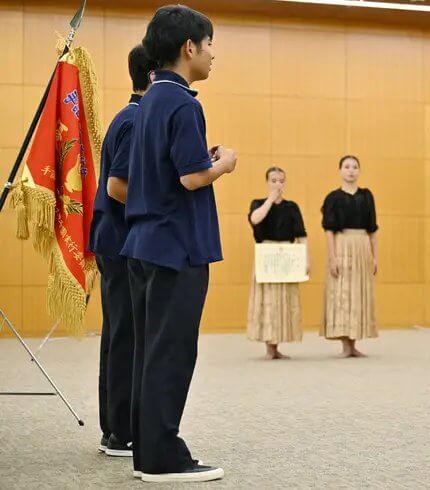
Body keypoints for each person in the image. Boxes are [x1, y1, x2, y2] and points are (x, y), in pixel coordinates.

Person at [121, 5, 236, 482]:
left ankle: (146, 451)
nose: (213, 56)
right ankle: (164, 457)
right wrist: (224, 164)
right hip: (175, 247)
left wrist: (199, 163)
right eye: (209, 46)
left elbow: (166, 168)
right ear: (189, 48)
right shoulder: (186, 103)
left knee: (148, 351)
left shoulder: (146, 101)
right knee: (172, 352)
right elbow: (191, 178)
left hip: (142, 243)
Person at [88, 44, 157, 458]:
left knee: (118, 335)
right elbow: (118, 187)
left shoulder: (131, 116)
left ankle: (113, 426)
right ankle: (120, 432)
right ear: (152, 75)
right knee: (126, 336)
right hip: (121, 240)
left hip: (116, 240)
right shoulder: (134, 121)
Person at [247, 167, 308, 359]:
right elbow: (255, 220)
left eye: (281, 181)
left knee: (284, 300)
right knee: (268, 301)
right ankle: (269, 347)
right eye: (273, 180)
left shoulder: (292, 207)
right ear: (267, 182)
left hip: (288, 255)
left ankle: (277, 345)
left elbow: (302, 235)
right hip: (267, 254)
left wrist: (306, 259)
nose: (277, 184)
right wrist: (270, 200)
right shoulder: (258, 203)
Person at [321, 155, 378, 358]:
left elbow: (372, 229)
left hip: (362, 245)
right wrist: (332, 257)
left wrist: (374, 256)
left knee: (358, 293)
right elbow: (329, 230)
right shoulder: (333, 198)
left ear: (359, 170)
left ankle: (354, 344)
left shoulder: (366, 196)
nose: (351, 170)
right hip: (341, 244)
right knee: (342, 293)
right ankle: (345, 345)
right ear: (340, 171)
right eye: (346, 166)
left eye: (355, 167)